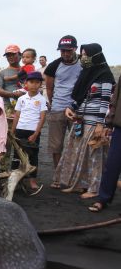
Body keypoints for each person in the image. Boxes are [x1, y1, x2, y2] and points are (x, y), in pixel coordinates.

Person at [54, 44, 115, 199]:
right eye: (82, 55)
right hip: (80, 119)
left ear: (96, 56)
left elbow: (105, 101)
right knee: (76, 154)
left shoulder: (105, 75)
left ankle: (94, 188)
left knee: (93, 156)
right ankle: (79, 184)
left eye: (86, 55)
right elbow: (80, 97)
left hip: (94, 122)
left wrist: (101, 124)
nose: (83, 58)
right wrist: (71, 108)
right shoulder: (86, 73)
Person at [44, 35, 82, 172]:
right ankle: (58, 174)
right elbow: (49, 88)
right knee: (56, 145)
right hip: (58, 108)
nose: (65, 53)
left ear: (75, 49)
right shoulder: (53, 66)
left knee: (78, 143)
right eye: (62, 51)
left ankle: (74, 174)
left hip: (77, 110)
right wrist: (53, 104)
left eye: (69, 50)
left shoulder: (83, 63)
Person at [89, 72, 121, 212]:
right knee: (112, 165)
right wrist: (108, 123)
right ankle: (103, 199)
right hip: (120, 128)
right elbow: (115, 100)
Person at [11, 72, 48, 194]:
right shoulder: (21, 99)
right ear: (26, 84)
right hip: (20, 129)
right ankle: (14, 179)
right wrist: (12, 131)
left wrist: (36, 134)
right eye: (31, 82)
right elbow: (17, 115)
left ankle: (32, 181)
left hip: (33, 131)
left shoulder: (42, 99)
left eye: (37, 82)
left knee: (33, 156)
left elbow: (42, 118)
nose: (34, 85)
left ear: (40, 84)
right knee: (17, 155)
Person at [0, 45, 25, 115]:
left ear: (20, 55)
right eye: (8, 55)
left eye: (13, 54)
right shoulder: (1, 73)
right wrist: (14, 95)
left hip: (26, 107)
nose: (10, 57)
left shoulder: (27, 70)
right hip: (9, 108)